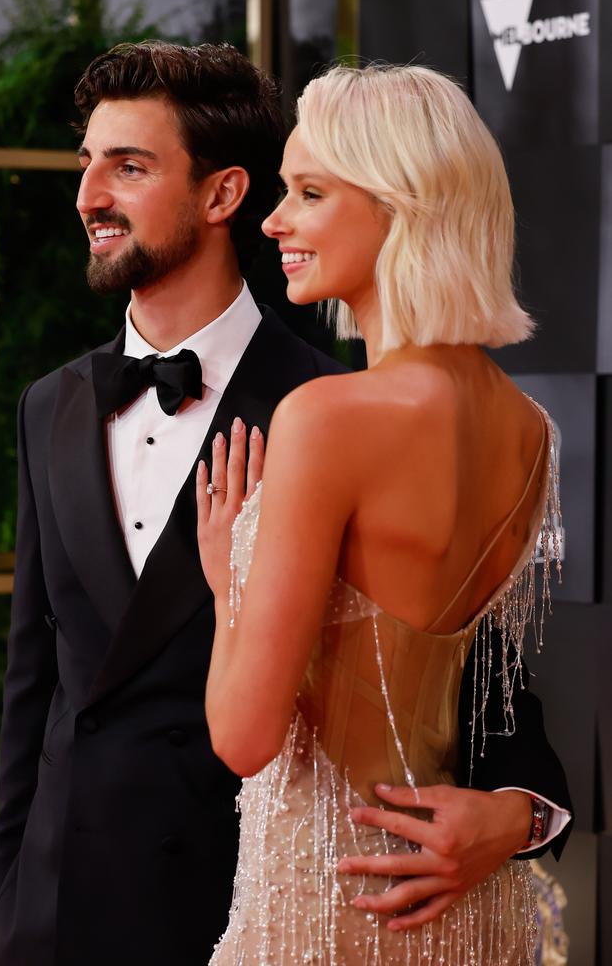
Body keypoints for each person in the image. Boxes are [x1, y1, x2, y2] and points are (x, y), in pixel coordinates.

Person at [0, 40, 568, 966]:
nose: (88, 194)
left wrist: (520, 812)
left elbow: (478, 683)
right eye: (86, 162)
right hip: (63, 914)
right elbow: (33, 683)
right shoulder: (47, 405)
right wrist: (12, 895)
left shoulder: (329, 405)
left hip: (270, 903)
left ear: (222, 194)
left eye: (127, 167)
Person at [196, 63, 571, 965]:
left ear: (405, 208)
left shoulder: (328, 420)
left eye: (310, 192)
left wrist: (226, 587)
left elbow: (244, 739)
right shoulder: (531, 430)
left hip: (328, 906)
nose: (274, 220)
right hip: (470, 916)